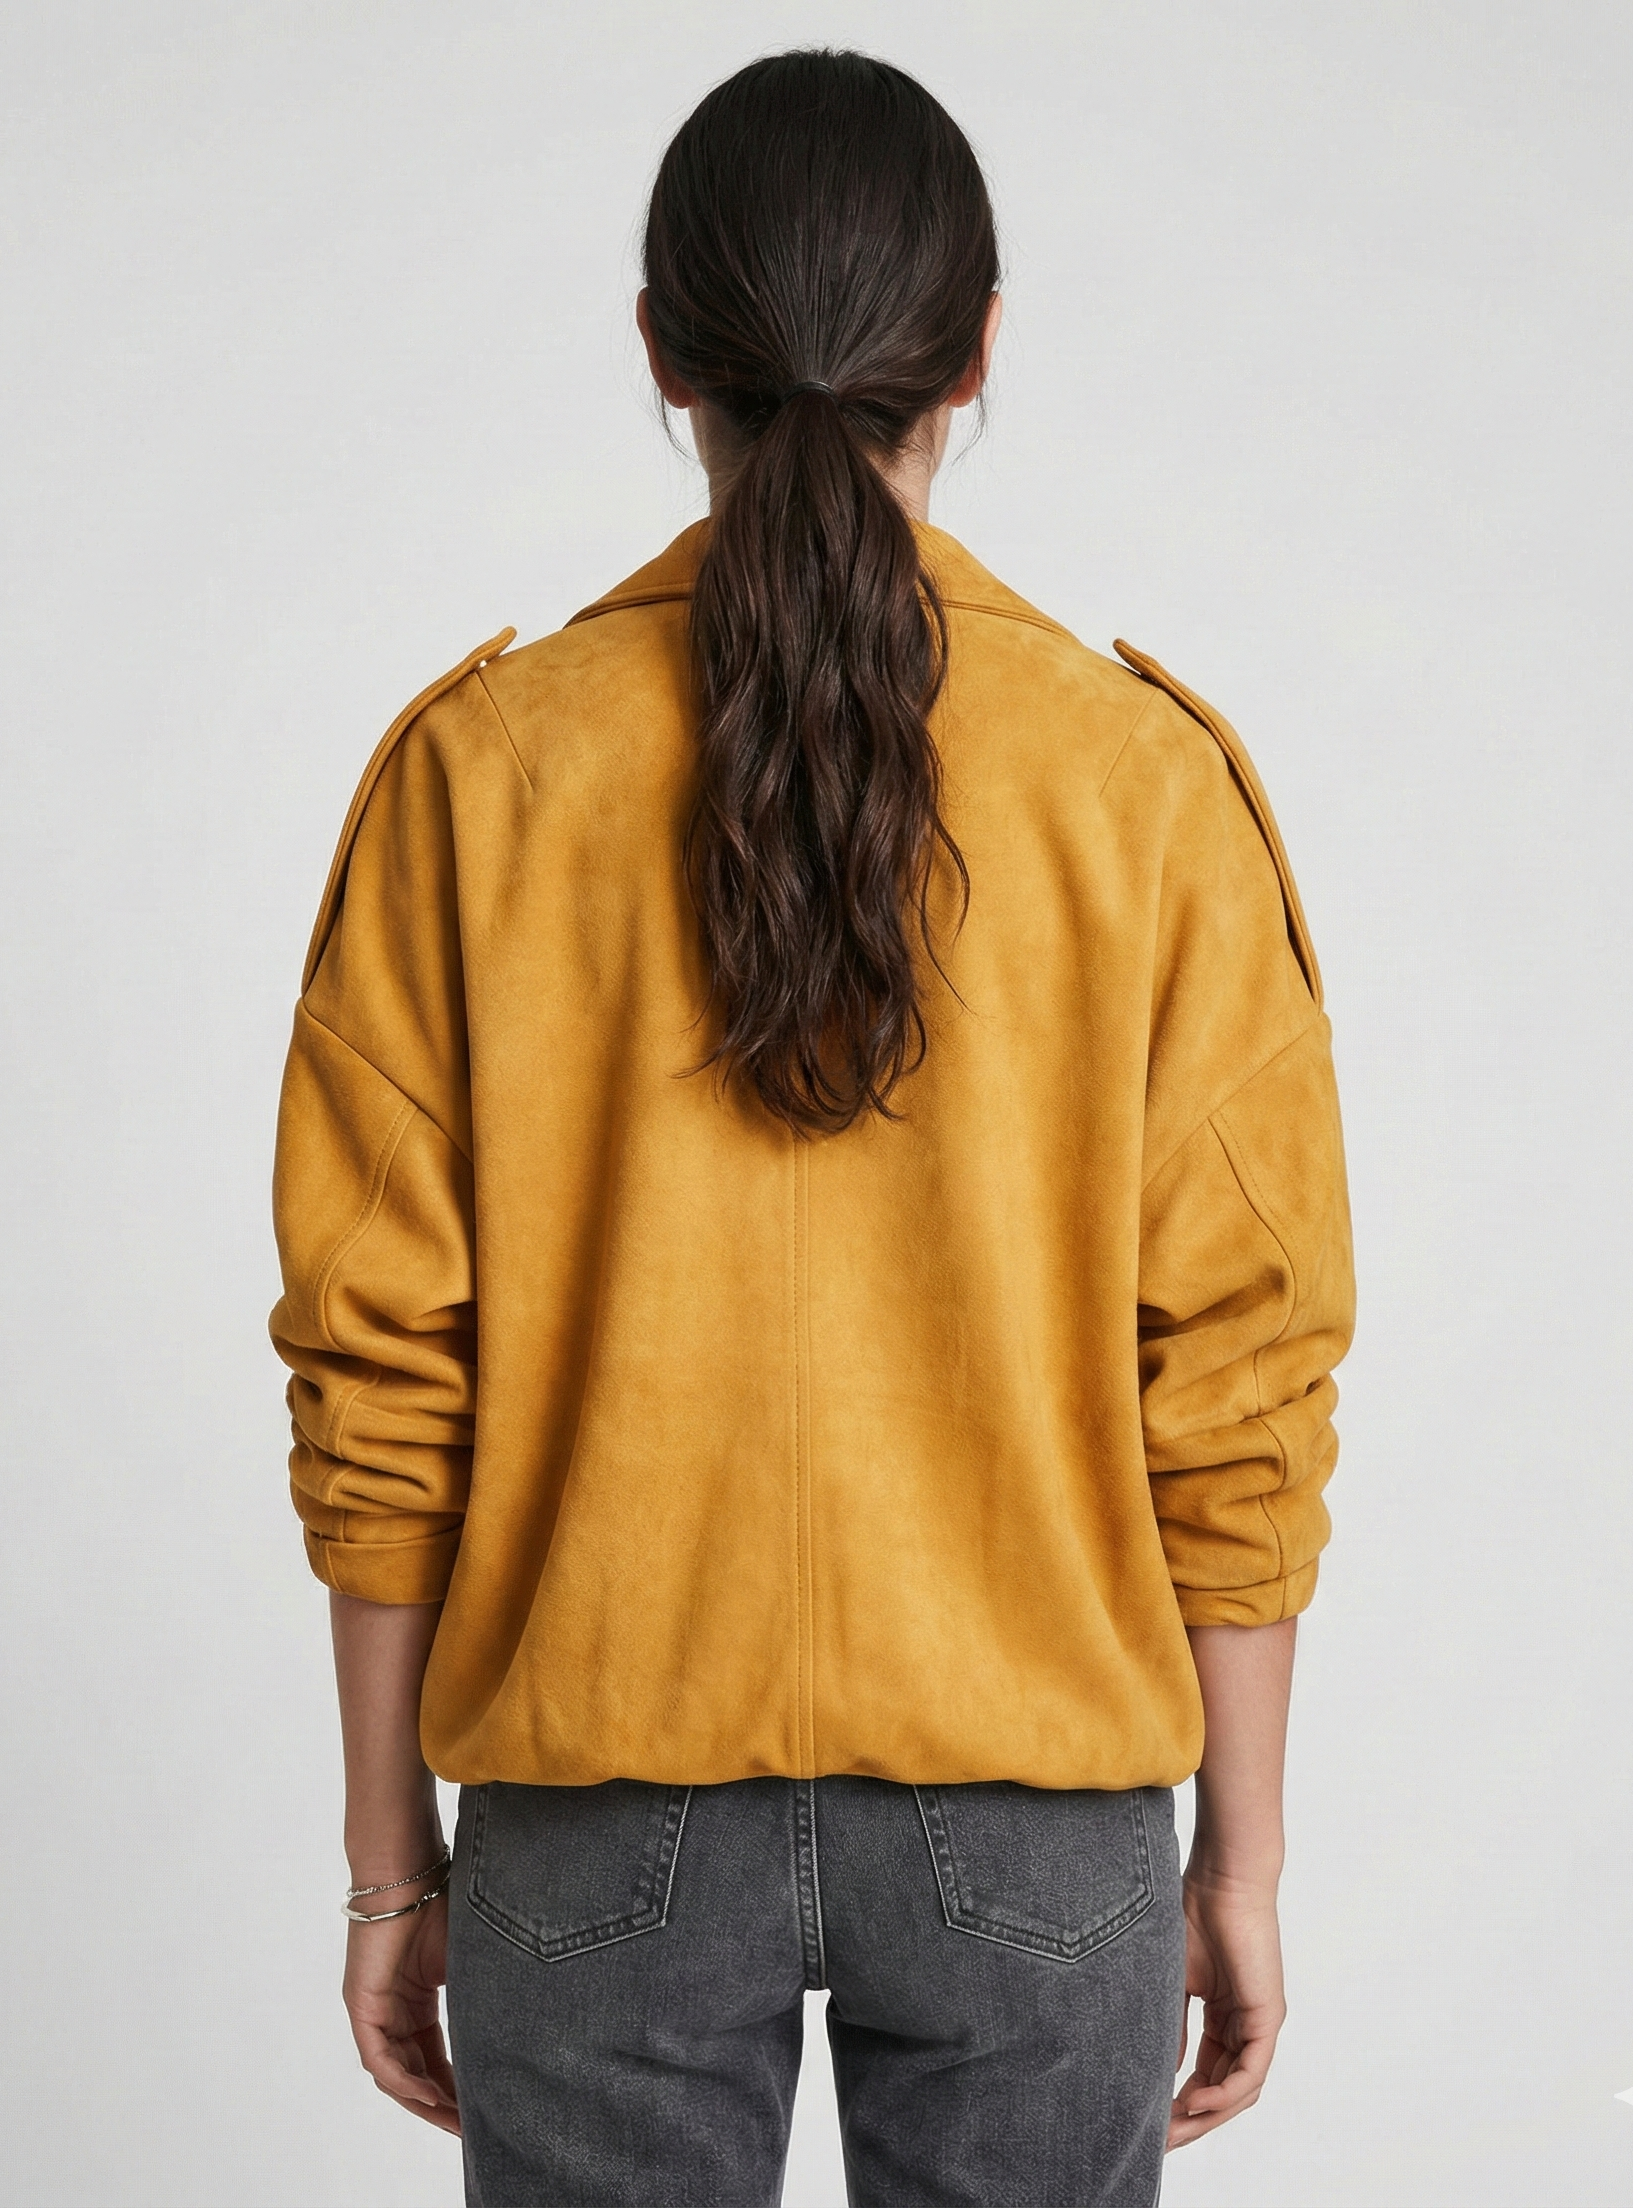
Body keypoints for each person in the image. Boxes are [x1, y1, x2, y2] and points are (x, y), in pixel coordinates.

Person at [269, 46, 1354, 2208]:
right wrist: (1241, 1858)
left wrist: (393, 1872)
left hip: (594, 1821)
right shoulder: (1144, 790)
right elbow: (1241, 1375)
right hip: (1042, 1827)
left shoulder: (481, 776)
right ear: (978, 354)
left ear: (664, 351)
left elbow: (380, 1368)